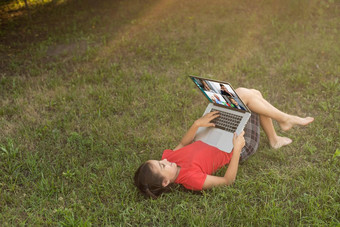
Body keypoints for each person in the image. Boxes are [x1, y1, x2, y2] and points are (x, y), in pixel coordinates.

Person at [134, 88, 314, 199]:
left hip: (216, 133)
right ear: (166, 182)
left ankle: (275, 138)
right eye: (162, 165)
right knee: (246, 97)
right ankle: (285, 120)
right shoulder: (191, 180)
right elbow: (228, 180)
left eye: (160, 160)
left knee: (250, 94)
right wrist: (236, 150)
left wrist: (197, 124)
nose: (165, 160)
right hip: (236, 147)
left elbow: (183, 142)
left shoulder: (169, 157)